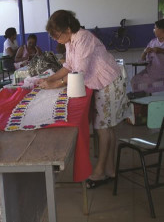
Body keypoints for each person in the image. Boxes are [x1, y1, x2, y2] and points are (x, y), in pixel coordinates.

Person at [39, 10, 131, 188]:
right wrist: (49, 79)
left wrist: (55, 85)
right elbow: (68, 66)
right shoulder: (70, 40)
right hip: (105, 82)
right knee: (107, 127)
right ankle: (110, 170)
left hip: (109, 82)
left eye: (57, 35)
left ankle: (99, 173)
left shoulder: (82, 37)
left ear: (67, 29)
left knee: (103, 128)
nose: (56, 39)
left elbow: (77, 72)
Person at [131, 19, 164, 94]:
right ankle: (144, 101)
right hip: (152, 72)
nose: (154, 30)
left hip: (162, 73)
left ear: (162, 29)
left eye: (155, 28)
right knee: (135, 81)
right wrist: (145, 52)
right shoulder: (152, 42)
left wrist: (160, 50)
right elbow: (143, 59)